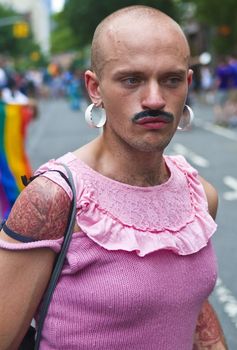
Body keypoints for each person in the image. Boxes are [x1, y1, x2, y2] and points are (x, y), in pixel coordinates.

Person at [0, 6, 227, 350]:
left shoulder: (200, 197)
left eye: (171, 79)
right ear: (94, 87)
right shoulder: (54, 199)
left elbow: (191, 307)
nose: (155, 99)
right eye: (131, 79)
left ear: (188, 84)